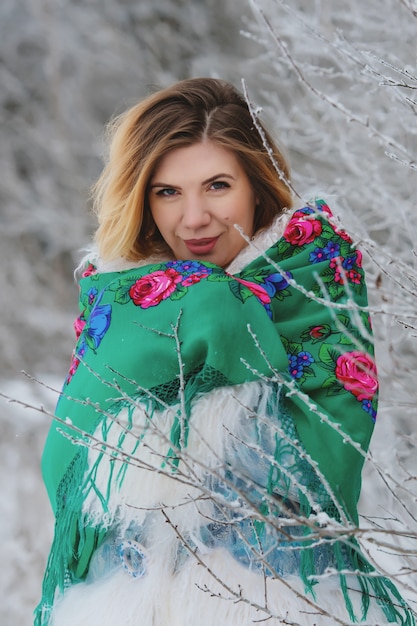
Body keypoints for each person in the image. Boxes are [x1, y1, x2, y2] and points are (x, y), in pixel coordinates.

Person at [35, 78, 415, 626]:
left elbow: (325, 467)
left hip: (284, 600)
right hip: (119, 601)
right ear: (141, 199)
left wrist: (219, 313)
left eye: (217, 186)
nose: (193, 218)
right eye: (167, 191)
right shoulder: (120, 298)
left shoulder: (312, 278)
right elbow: (66, 469)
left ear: (257, 186)